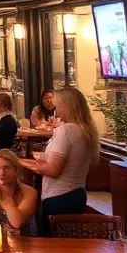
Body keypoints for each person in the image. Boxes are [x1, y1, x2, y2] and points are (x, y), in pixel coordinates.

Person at [32, 87, 100, 233]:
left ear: (67, 106)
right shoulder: (87, 130)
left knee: (50, 243)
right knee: (70, 242)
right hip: (78, 195)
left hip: (58, 197)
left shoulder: (66, 130)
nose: (56, 110)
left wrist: (25, 164)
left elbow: (53, 170)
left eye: (58, 106)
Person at [0, 150, 39, 237]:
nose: (2, 173)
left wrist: (0, 201)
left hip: (26, 241)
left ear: (16, 170)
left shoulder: (29, 192)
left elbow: (16, 222)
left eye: (7, 168)